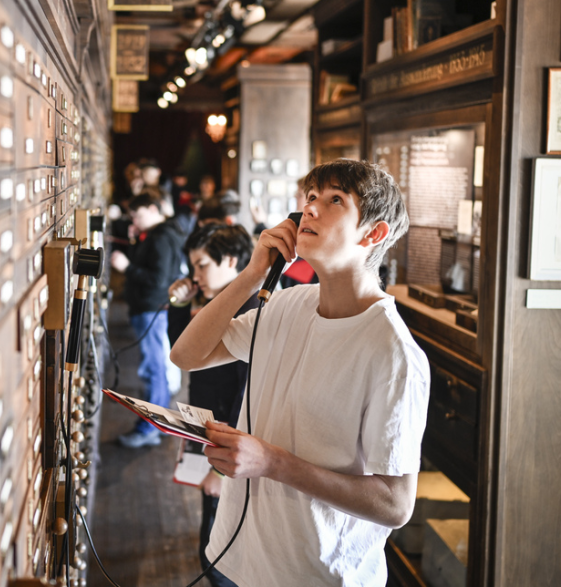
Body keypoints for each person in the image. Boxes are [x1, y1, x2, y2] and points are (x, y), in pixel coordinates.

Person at [170, 159, 430, 586]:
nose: (310, 208)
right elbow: (186, 354)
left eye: (334, 200)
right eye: (310, 197)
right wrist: (253, 274)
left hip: (316, 573)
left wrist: (273, 462)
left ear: (373, 233)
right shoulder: (289, 304)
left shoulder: (393, 352)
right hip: (240, 554)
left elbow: (395, 505)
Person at [167, 223, 257, 587]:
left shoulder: (249, 310)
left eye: (202, 265)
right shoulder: (217, 303)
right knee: (212, 537)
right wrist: (180, 304)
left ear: (231, 260)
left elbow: (248, 396)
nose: (195, 275)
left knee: (219, 556)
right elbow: (183, 352)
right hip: (209, 430)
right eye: (193, 266)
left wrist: (221, 472)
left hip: (231, 447)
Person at [109, 188, 187, 447]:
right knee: (155, 367)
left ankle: (149, 428)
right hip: (150, 309)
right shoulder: (158, 234)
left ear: (153, 210)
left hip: (151, 309)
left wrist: (127, 267)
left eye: (138, 215)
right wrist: (135, 242)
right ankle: (157, 423)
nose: (134, 221)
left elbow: (158, 280)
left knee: (154, 369)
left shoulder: (161, 237)